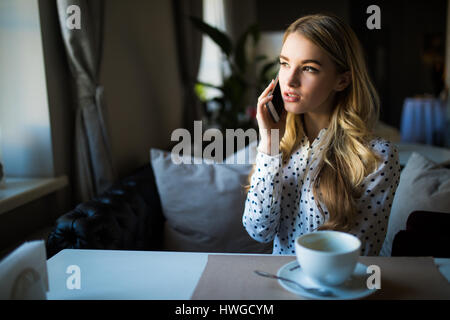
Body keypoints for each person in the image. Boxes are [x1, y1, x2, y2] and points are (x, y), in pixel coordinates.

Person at [242, 13, 401, 256]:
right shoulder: (277, 146)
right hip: (280, 284)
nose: (290, 81)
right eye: (284, 63)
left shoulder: (376, 157)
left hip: (334, 289)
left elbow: (362, 254)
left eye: (308, 68)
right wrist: (270, 143)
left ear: (342, 80)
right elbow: (258, 231)